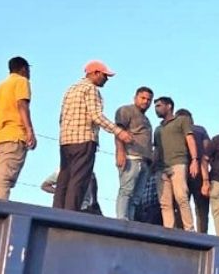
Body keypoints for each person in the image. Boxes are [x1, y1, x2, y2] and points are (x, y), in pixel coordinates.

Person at [56, 61, 132, 211]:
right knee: (78, 180)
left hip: (65, 140)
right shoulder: (91, 89)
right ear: (95, 73)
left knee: (64, 179)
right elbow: (96, 116)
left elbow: (61, 117)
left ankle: (56, 212)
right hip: (84, 139)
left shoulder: (71, 89)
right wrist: (119, 132)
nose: (106, 79)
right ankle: (69, 215)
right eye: (105, 75)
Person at [0, 56, 36, 199]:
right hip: (14, 136)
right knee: (5, 181)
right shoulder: (21, 81)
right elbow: (22, 105)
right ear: (24, 69)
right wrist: (29, 131)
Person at [151, 97, 199, 230]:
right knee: (165, 203)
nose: (157, 109)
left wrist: (194, 160)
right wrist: (152, 167)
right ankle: (169, 231)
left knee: (181, 197)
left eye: (159, 106)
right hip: (161, 168)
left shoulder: (182, 121)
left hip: (178, 163)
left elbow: (190, 139)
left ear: (169, 106)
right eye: (156, 106)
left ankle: (189, 229)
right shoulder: (158, 129)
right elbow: (156, 149)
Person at [113, 87, 154, 220]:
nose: (146, 102)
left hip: (144, 160)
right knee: (126, 190)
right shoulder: (126, 110)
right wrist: (120, 152)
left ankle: (129, 221)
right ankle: (121, 219)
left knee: (137, 197)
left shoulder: (146, 119)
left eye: (149, 100)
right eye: (143, 98)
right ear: (135, 97)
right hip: (131, 157)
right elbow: (119, 131)